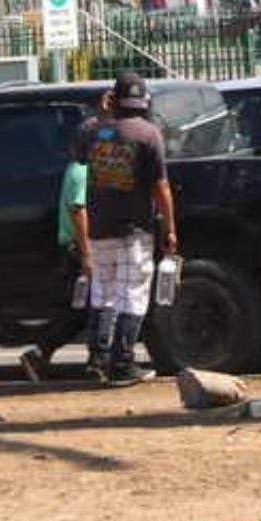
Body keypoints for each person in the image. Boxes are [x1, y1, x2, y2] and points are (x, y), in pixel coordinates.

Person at [82, 73, 178, 387]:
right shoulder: (149, 134)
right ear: (143, 101)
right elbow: (160, 186)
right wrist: (170, 227)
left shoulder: (94, 131)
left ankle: (97, 359)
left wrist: (102, 114)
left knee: (103, 294)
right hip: (134, 228)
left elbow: (79, 148)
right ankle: (122, 364)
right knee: (132, 296)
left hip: (98, 227)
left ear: (114, 99)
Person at [20, 93, 113, 382]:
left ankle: (51, 354)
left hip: (76, 248)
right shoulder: (83, 172)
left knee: (85, 309)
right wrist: (87, 253)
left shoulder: (77, 168)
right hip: (80, 249)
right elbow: (78, 210)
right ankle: (91, 360)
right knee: (95, 305)